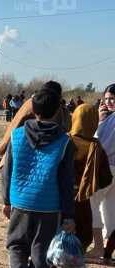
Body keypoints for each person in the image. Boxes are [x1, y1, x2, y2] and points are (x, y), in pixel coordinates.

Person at [1, 88, 76, 268]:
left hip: (20, 202)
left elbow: (7, 171)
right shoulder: (65, 141)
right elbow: (67, 181)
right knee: (41, 251)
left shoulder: (17, 135)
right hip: (49, 206)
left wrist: (6, 200)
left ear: (33, 110)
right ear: (58, 111)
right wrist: (68, 215)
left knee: (17, 246)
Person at [68, 103, 113, 255]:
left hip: (61, 202)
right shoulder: (96, 147)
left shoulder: (64, 142)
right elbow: (106, 178)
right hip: (84, 207)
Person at [0, 81, 72, 167]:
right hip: (48, 159)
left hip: (22, 152)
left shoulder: (31, 103)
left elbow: (15, 124)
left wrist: (3, 147)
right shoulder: (63, 111)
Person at [90, 83, 115, 259]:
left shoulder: (110, 120)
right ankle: (108, 248)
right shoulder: (109, 118)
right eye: (106, 99)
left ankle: (99, 246)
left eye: (112, 98)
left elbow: (99, 144)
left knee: (91, 204)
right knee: (110, 209)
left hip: (107, 168)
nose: (108, 102)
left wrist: (98, 121)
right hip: (111, 168)